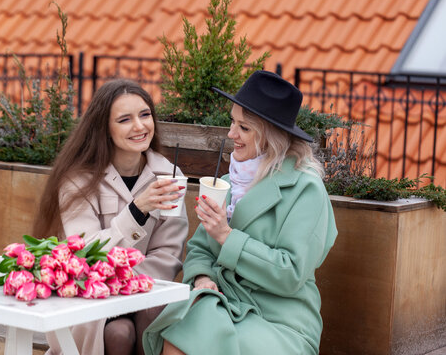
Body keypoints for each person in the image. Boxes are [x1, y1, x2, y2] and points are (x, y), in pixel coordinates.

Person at [143, 70, 338, 355]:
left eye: (244, 128)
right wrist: (201, 278)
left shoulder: (306, 189)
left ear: (272, 136)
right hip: (225, 303)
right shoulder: (230, 181)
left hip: (280, 320)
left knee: (189, 337)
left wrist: (226, 235)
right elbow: (200, 248)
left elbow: (291, 273)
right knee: (176, 336)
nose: (231, 134)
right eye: (232, 122)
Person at [33, 79, 189, 355]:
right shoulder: (78, 179)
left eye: (145, 115)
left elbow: (168, 256)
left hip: (143, 296)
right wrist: (136, 210)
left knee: (151, 314)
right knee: (119, 332)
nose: (140, 126)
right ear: (104, 129)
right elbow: (85, 252)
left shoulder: (168, 176)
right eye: (125, 120)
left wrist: (124, 285)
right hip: (89, 303)